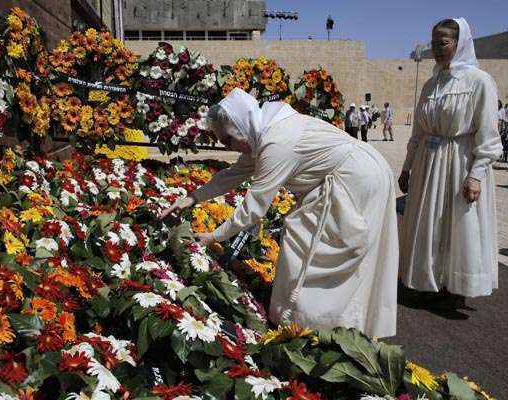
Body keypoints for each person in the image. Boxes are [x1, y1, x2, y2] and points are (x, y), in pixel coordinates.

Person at [161, 88, 399, 338]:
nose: (231, 147)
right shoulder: (260, 132)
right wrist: (191, 198)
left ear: (242, 124)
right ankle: (315, 323)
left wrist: (213, 237)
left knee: (322, 251)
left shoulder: (276, 142)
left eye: (229, 140)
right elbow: (232, 174)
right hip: (355, 174)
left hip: (357, 179)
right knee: (309, 243)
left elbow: (254, 207)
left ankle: (322, 326)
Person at [398, 18, 502, 308]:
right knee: (429, 222)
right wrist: (407, 167)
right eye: (434, 43)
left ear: (460, 43)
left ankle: (456, 286)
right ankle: (428, 279)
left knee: (458, 223)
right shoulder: (432, 84)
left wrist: (476, 175)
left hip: (459, 161)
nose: (437, 48)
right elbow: (419, 130)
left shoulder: (479, 82)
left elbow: (488, 134)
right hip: (429, 165)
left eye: (442, 42)